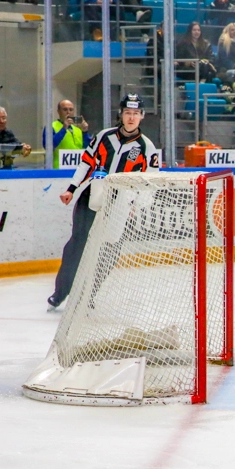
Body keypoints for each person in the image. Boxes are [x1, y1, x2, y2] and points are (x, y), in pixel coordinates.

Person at [48, 94, 160, 309]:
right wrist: (71, 189)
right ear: (121, 114)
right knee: (77, 243)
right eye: (128, 112)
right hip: (93, 196)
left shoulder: (147, 148)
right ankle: (61, 293)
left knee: (110, 250)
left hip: (121, 203)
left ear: (142, 116)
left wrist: (137, 206)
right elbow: (86, 163)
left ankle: (89, 296)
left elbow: (149, 181)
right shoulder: (103, 136)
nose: (131, 117)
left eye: (136, 113)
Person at [44, 100, 91, 169]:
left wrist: (85, 132)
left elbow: (88, 147)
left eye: (71, 110)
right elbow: (48, 146)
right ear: (59, 111)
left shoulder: (78, 129)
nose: (68, 112)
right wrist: (64, 129)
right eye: (65, 109)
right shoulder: (51, 127)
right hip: (58, 170)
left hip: (77, 169)